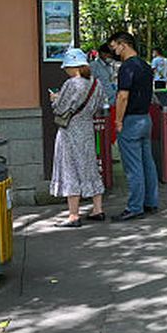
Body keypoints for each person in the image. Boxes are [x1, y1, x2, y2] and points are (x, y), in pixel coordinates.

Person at [47, 48, 106, 227]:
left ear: (73, 67)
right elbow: (99, 106)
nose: (66, 71)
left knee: (70, 168)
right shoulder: (96, 83)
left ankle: (73, 215)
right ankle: (98, 209)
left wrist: (54, 98)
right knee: (90, 167)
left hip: (70, 131)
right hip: (87, 129)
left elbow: (59, 109)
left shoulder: (71, 84)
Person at [105, 31, 160, 221]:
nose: (114, 52)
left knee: (133, 166)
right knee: (148, 163)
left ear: (123, 44)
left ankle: (135, 207)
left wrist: (118, 121)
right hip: (146, 118)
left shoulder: (127, 67)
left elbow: (123, 96)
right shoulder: (145, 65)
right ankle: (151, 202)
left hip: (131, 121)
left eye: (115, 47)